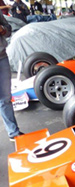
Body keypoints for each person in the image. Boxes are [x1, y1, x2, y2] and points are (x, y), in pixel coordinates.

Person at [0, 13, 23, 141]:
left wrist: (2, 29)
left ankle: (13, 132)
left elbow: (8, 30)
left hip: (1, 58)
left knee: (5, 98)